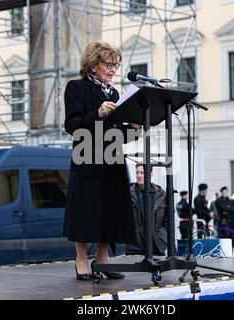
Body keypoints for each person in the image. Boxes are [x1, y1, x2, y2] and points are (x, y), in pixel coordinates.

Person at [63, 41, 141, 281]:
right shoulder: (76, 88)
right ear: (94, 64)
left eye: (116, 65)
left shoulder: (115, 94)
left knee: (109, 210)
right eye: (108, 64)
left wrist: (135, 129)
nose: (113, 69)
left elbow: (115, 135)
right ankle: (81, 258)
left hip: (112, 160)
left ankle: (103, 258)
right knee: (86, 211)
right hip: (87, 157)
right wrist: (96, 114)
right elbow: (72, 126)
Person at [126, 164, 168, 256]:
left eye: (142, 173)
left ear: (151, 174)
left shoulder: (161, 194)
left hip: (156, 245)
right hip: (134, 246)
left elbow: (168, 221)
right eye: (137, 172)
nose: (139, 175)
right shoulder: (127, 193)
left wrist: (163, 238)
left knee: (158, 270)